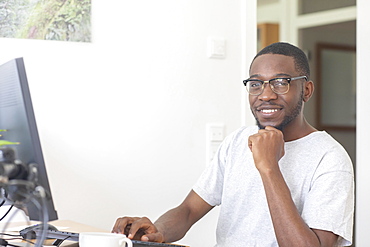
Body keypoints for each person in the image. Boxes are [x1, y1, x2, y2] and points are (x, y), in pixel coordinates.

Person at [112, 42, 354, 246]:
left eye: (281, 82)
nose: (266, 94)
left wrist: (269, 167)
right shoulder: (237, 142)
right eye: (256, 84)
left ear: (306, 90)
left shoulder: (330, 158)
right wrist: (158, 231)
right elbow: (188, 210)